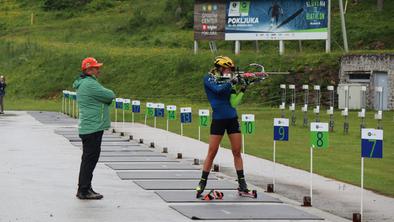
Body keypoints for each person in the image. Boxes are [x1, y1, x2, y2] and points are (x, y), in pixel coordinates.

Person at [196, 56, 250, 197]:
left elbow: (233, 102)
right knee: (212, 152)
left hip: (232, 118)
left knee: (237, 151)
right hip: (218, 119)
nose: (229, 72)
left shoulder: (229, 81)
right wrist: (231, 81)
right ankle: (202, 182)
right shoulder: (208, 79)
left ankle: (242, 183)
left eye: (231, 70)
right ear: (219, 68)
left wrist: (243, 86)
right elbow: (218, 90)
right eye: (227, 69)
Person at [73, 57, 115, 200]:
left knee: (88, 159)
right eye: (96, 68)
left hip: (90, 127)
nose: (99, 70)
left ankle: (86, 187)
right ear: (89, 70)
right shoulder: (90, 84)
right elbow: (110, 95)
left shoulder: (86, 83)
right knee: (89, 160)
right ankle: (84, 190)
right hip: (93, 127)